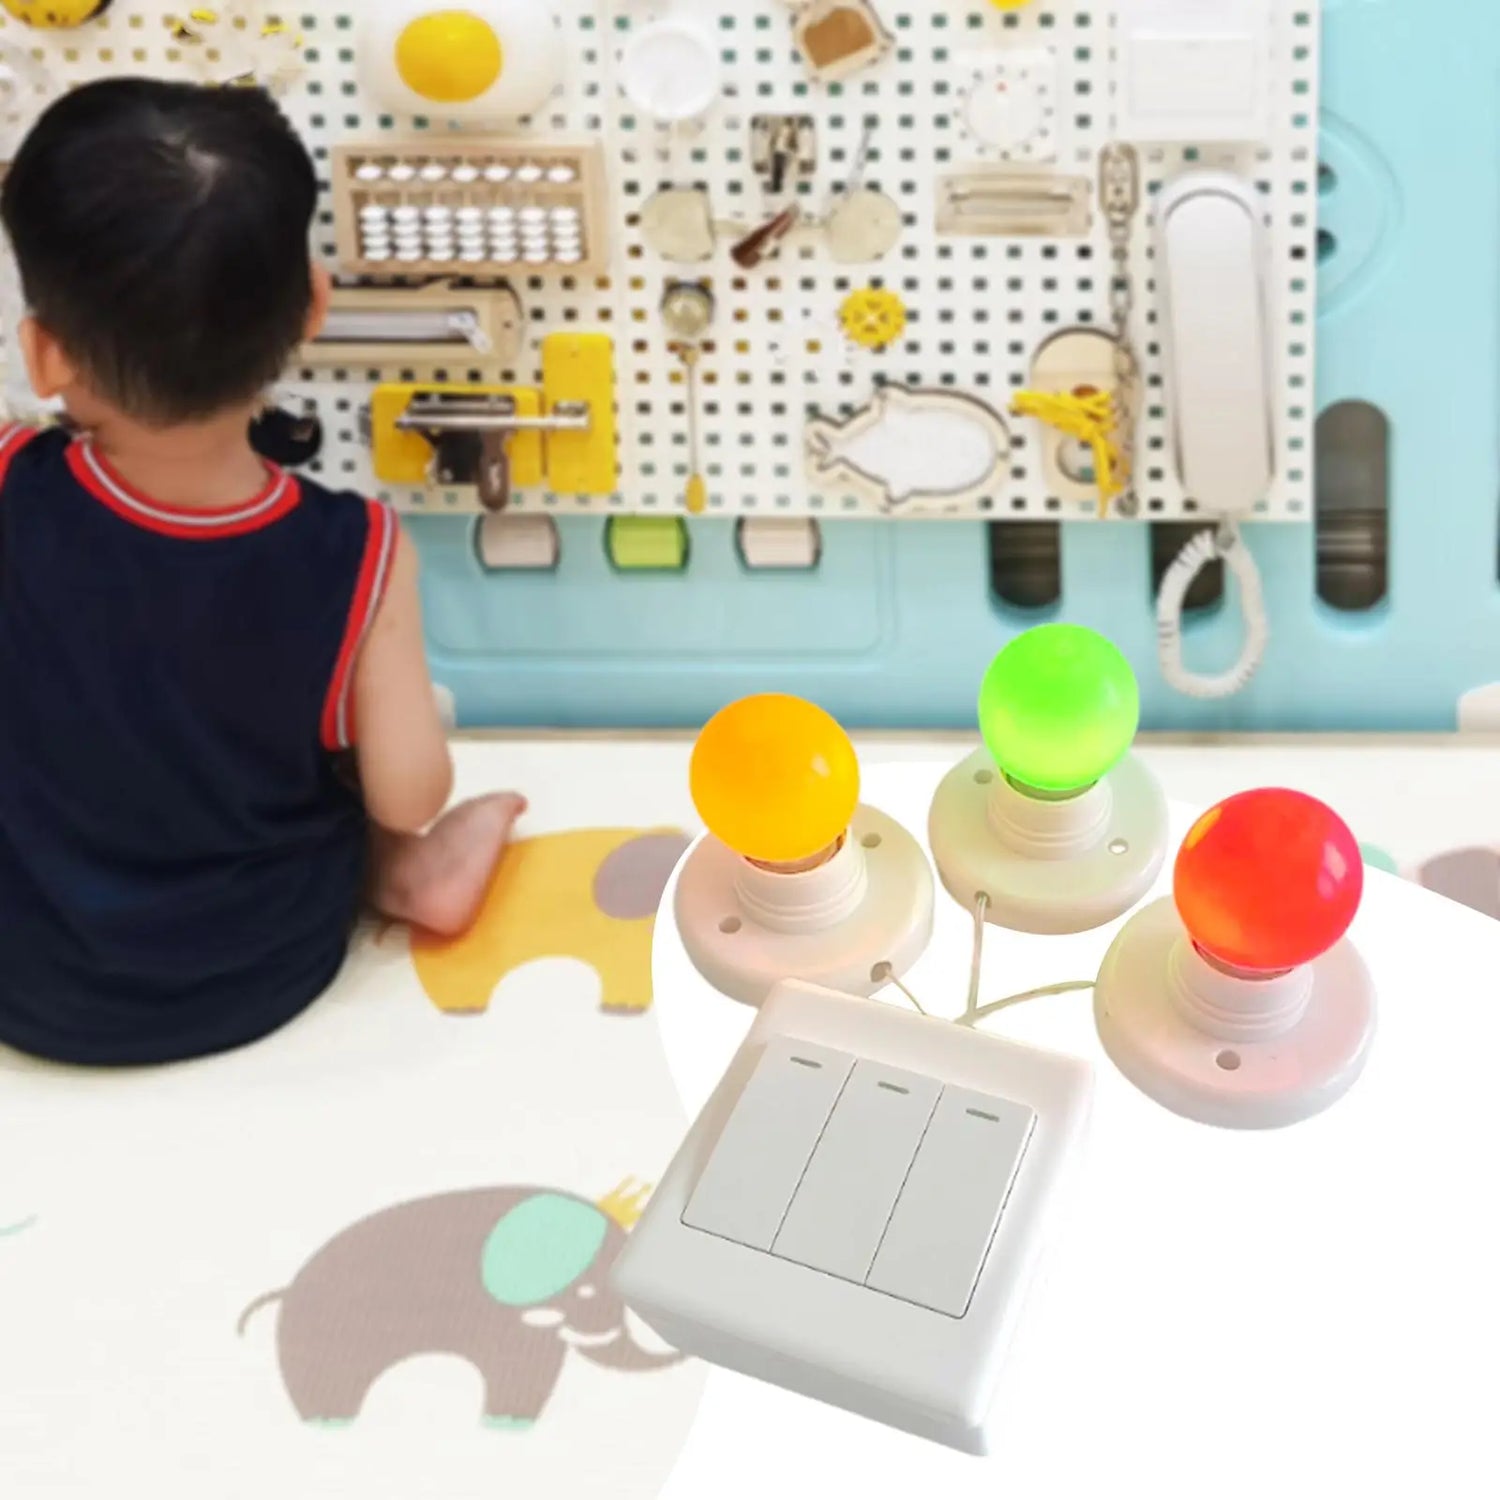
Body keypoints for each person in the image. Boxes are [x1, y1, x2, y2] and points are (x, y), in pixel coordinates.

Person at [0, 78, 525, 1067]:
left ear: (43, 352)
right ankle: (409, 876)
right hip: (257, 966)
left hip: (27, 979)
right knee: (319, 781)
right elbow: (408, 795)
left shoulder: (7, 480)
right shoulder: (358, 550)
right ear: (312, 306)